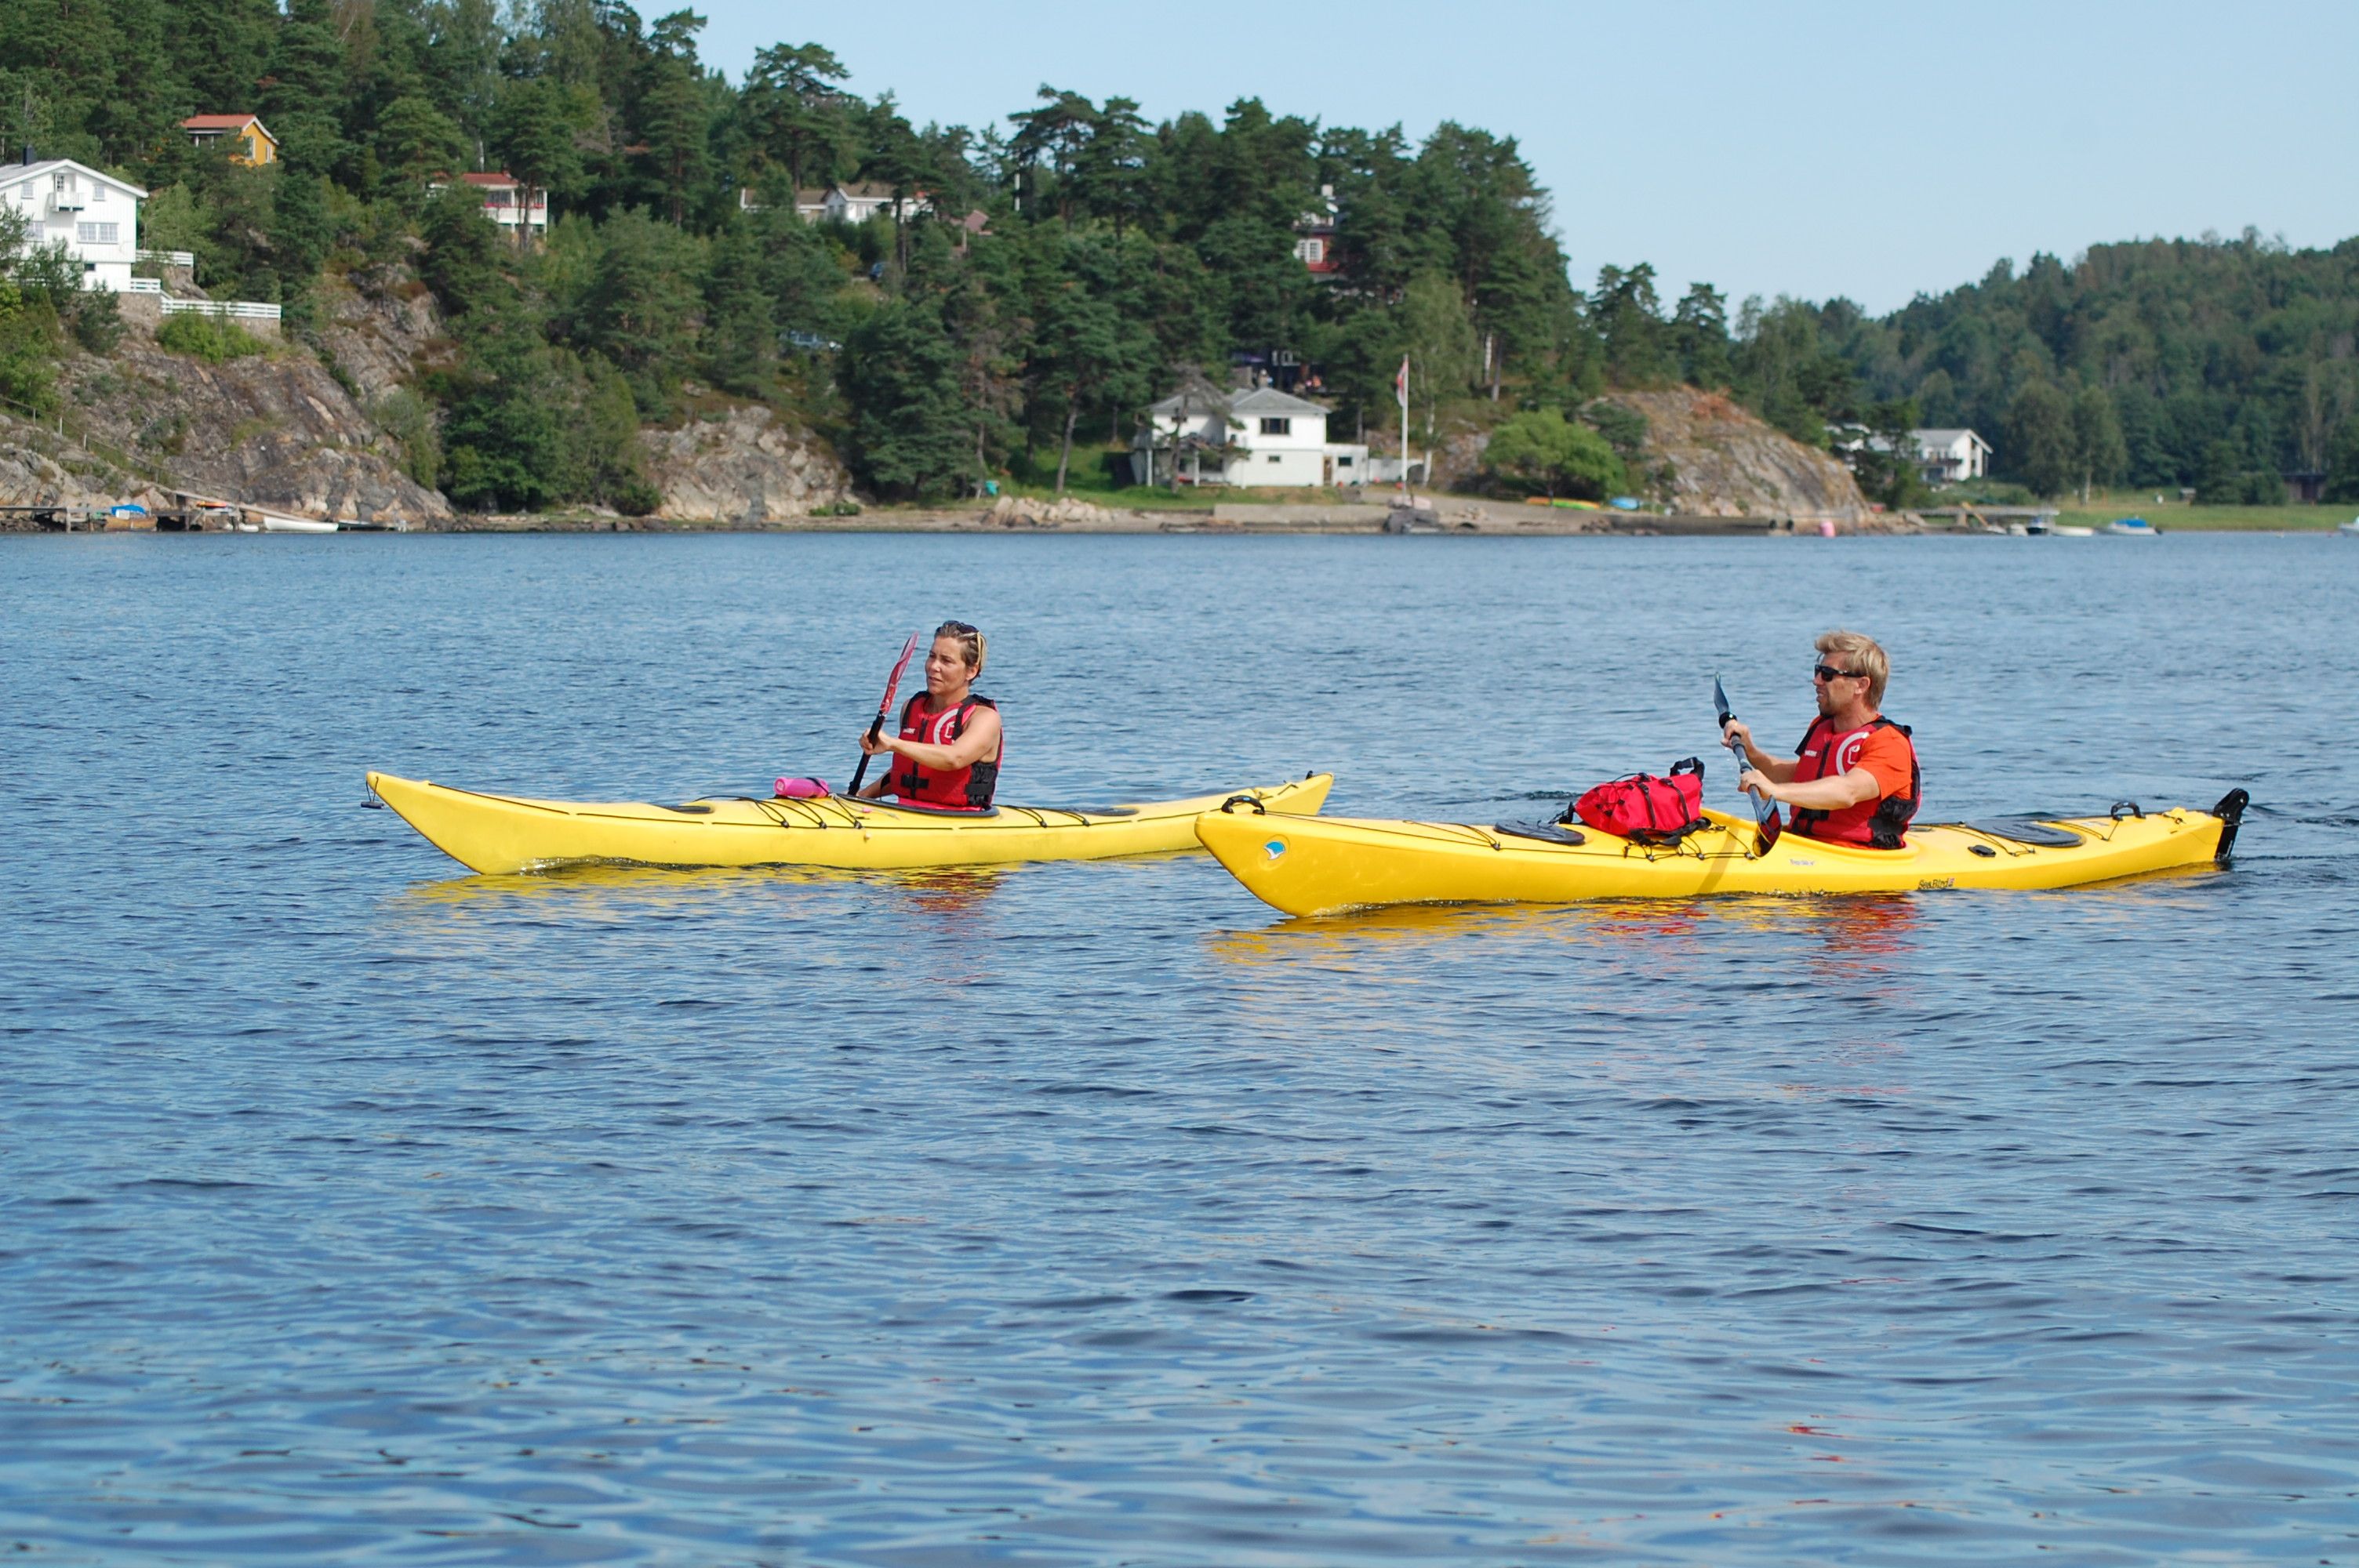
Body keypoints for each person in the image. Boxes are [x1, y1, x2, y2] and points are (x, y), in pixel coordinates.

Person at [1721, 630, 1921, 848]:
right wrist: (1751, 751)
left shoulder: (1890, 743)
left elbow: (1848, 791)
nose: (1816, 681)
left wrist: (1775, 791)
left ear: (1861, 685)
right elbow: (1802, 776)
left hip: (1858, 854)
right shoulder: (1821, 727)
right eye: (1818, 671)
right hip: (1806, 843)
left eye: (1827, 674)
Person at [856, 620, 1003, 810]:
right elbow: (908, 772)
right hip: (907, 812)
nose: (934, 666)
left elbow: (954, 758)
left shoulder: (984, 718)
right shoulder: (911, 707)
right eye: (932, 656)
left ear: (971, 671)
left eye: (946, 661)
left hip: (960, 819)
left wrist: (893, 744)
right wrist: (859, 797)